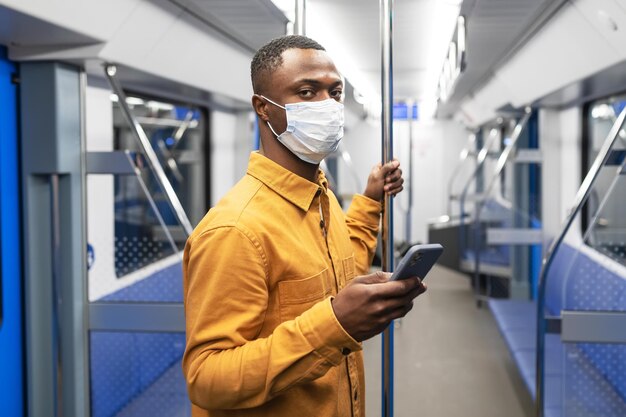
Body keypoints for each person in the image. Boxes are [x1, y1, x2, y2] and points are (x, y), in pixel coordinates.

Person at [182, 35, 426, 417]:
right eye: (307, 92)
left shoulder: (321, 197)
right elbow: (207, 378)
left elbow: (344, 269)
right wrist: (335, 324)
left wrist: (371, 200)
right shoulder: (235, 229)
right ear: (264, 108)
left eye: (335, 92)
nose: (327, 105)